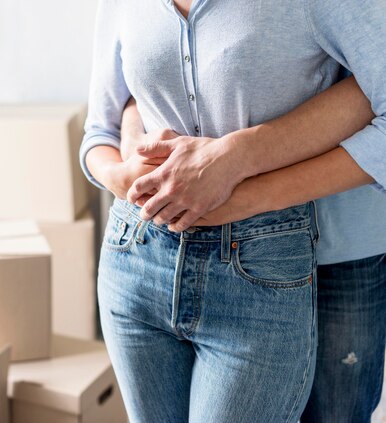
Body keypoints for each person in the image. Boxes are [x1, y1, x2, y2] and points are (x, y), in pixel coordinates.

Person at [79, 0, 386, 422]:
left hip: (331, 249)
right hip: (150, 248)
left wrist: (240, 181)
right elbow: (105, 125)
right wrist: (130, 170)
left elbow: (372, 96)